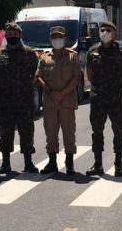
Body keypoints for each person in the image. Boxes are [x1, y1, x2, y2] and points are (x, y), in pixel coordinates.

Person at [85, 21, 122, 177]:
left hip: (116, 98)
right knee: (97, 131)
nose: (104, 32)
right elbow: (89, 74)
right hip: (98, 98)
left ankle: (118, 164)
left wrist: (116, 86)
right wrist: (100, 87)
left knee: (118, 131)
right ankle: (98, 164)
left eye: (108, 30)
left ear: (114, 33)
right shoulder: (92, 50)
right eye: (102, 30)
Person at [0, 23, 39, 174]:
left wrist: (25, 88)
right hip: (5, 102)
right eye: (10, 34)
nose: (13, 37)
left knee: (26, 133)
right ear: (6, 36)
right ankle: (5, 163)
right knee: (6, 134)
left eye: (15, 34)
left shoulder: (29, 53)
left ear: (20, 35)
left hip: (24, 102)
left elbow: (35, 75)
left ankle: (28, 163)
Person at [37, 26, 82, 175]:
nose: (57, 40)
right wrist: (51, 92)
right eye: (54, 37)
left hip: (67, 102)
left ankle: (69, 163)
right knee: (50, 133)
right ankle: (52, 162)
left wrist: (61, 93)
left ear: (64, 39)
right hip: (50, 102)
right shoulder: (44, 57)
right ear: (50, 39)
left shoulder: (72, 57)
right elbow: (39, 76)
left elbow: (76, 78)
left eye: (60, 37)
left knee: (69, 133)